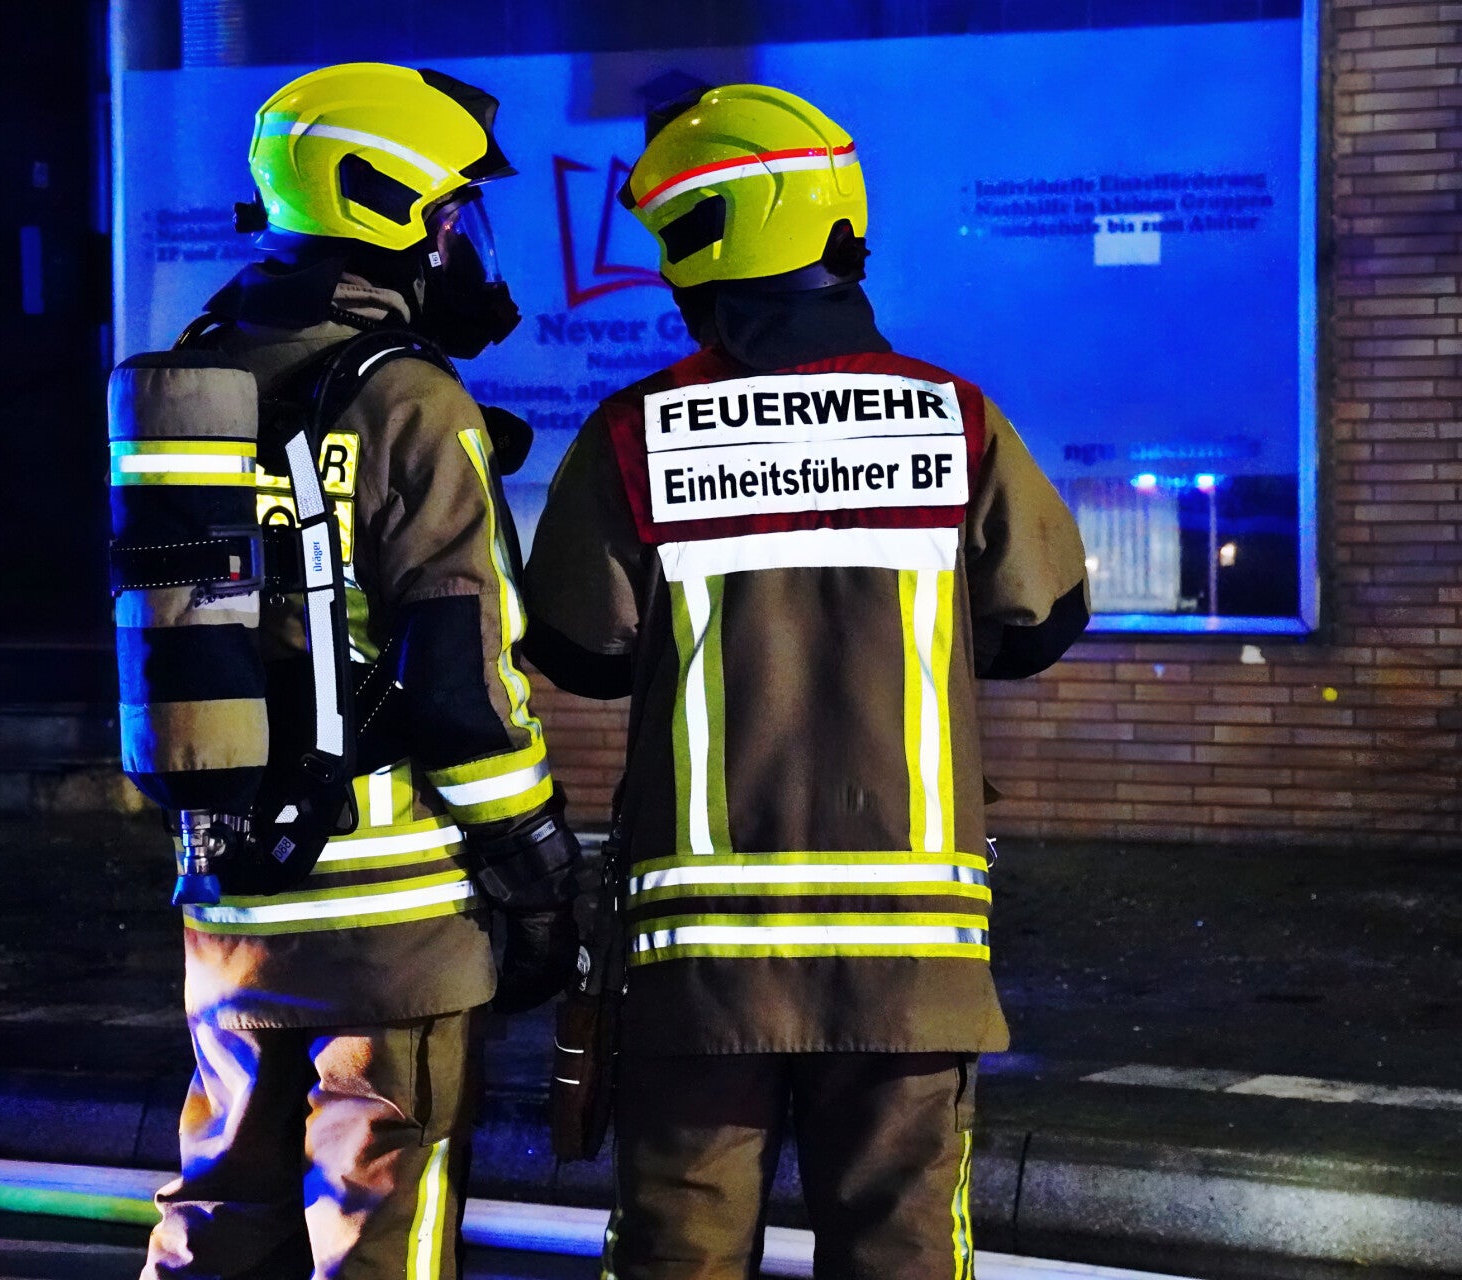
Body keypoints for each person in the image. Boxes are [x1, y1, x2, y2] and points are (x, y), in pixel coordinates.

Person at [521, 85, 1089, 1280]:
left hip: (702, 967)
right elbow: (1042, 620)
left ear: (696, 247)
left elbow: (578, 650)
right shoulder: (956, 419)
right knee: (900, 1253)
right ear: (839, 230)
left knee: (679, 1251)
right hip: (911, 960)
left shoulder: (636, 432)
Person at [133, 62, 581, 1280]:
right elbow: (463, 684)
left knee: (219, 1219)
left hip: (230, 906)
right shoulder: (410, 400)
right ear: (391, 211)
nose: (463, 246)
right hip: (391, 923)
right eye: (453, 216)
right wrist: (537, 867)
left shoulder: (196, 384)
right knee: (375, 1237)